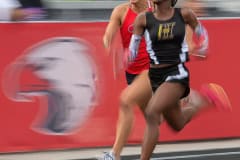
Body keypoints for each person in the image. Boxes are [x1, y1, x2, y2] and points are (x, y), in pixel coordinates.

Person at [98, 0, 231, 159]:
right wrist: (116, 50)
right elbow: (111, 36)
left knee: (128, 102)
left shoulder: (165, 11)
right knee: (174, 122)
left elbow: (190, 34)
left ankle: (114, 155)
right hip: (135, 75)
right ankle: (203, 100)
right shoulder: (126, 13)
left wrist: (200, 46)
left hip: (151, 71)